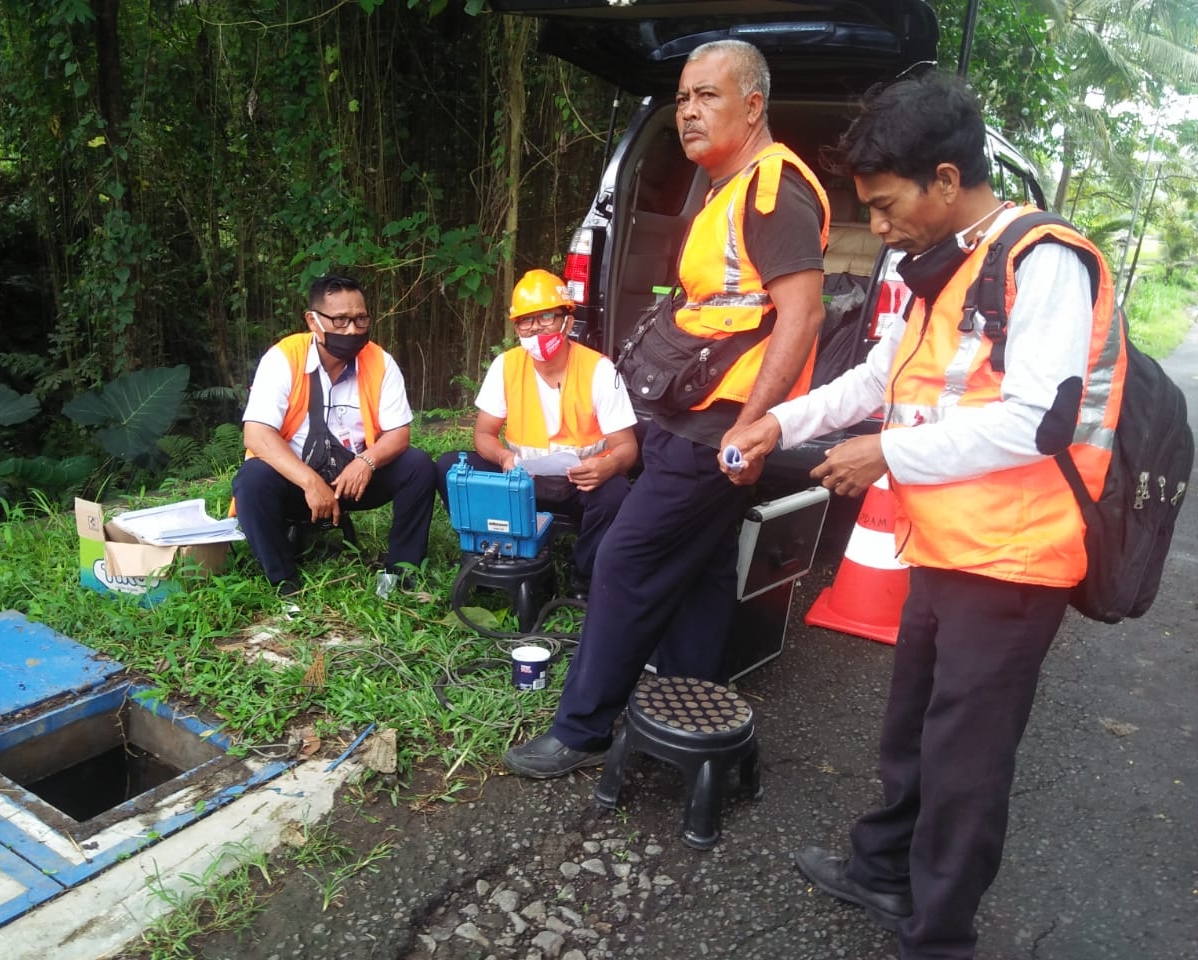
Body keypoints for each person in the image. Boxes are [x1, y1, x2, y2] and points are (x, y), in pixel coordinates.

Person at [720, 72, 1125, 960]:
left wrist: (886, 454)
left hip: (1015, 560)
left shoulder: (1041, 259)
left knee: (965, 760)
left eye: (887, 203)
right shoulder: (944, 265)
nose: (880, 226)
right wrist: (777, 421)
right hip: (946, 543)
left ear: (945, 179)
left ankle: (939, 935)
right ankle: (884, 869)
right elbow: (880, 379)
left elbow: (1036, 420)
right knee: (912, 724)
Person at [504, 39, 830, 778]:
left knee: (625, 556)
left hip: (721, 423)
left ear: (753, 105)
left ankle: (582, 731)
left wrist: (754, 426)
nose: (688, 111)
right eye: (682, 98)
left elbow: (801, 317)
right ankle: (690, 710)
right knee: (706, 563)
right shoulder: (727, 187)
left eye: (707, 96)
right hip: (696, 414)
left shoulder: (773, 190)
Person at [436, 269, 638, 596]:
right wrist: (503, 456)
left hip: (579, 482)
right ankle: (490, 550)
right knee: (449, 466)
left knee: (615, 493)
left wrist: (608, 466)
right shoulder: (506, 365)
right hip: (520, 481)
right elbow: (484, 434)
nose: (536, 329)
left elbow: (627, 448)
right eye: (525, 321)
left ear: (568, 322)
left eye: (546, 317)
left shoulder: (599, 369)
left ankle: (583, 577)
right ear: (516, 327)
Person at [232, 274, 437, 595]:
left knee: (418, 465)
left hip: (355, 481)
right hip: (296, 484)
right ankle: (284, 580)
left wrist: (367, 462)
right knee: (252, 478)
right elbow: (256, 435)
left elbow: (399, 434)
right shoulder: (283, 359)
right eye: (340, 321)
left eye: (361, 319)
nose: (353, 330)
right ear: (313, 321)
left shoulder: (380, 362)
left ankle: (401, 573)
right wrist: (310, 482)